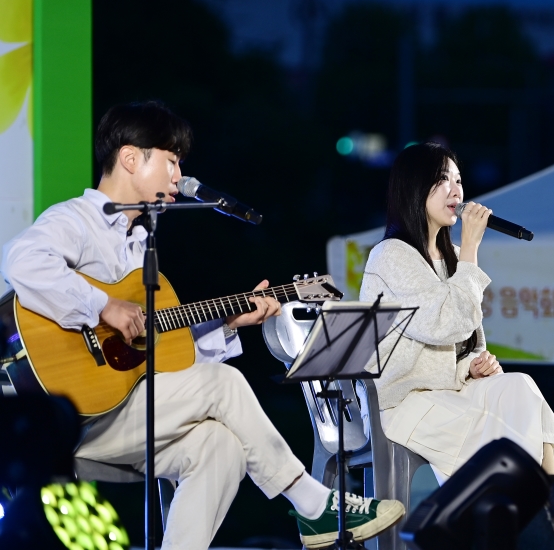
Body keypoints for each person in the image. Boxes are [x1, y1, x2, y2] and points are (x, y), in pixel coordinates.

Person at [0, 101, 404, 550]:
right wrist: (104, 307)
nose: (178, 177)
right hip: (71, 415)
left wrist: (229, 323)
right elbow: (22, 261)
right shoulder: (76, 219)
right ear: (132, 158)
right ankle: (313, 505)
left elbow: (165, 358)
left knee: (221, 446)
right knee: (224, 382)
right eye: (171, 161)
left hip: (122, 413)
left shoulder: (142, 245)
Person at [359, 142, 554, 482]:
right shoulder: (391, 256)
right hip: (403, 401)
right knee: (505, 439)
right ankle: (538, 508)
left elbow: (466, 339)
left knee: (520, 388)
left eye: (458, 180)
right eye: (443, 179)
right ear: (415, 186)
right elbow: (442, 325)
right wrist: (471, 248)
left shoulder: (455, 255)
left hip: (451, 391)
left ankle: (552, 500)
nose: (456, 190)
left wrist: (473, 363)